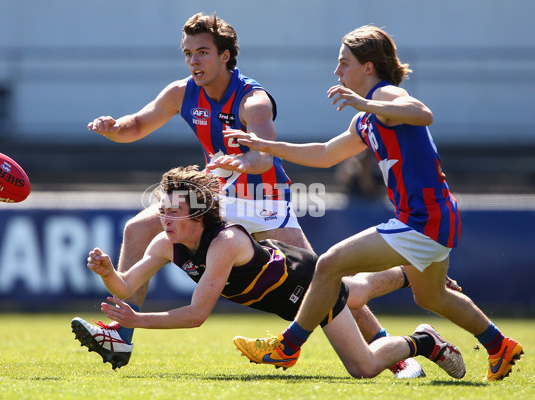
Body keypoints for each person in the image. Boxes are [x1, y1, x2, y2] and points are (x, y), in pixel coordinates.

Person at [83, 12, 425, 377]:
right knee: (137, 230)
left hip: (264, 201)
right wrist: (113, 127)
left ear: (225, 56)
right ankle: (121, 335)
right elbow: (135, 126)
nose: (193, 62)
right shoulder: (181, 92)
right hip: (216, 196)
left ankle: (396, 352)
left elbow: (264, 156)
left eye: (202, 53)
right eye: (188, 53)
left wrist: (241, 162)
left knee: (321, 283)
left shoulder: (253, 100)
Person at [219, 25, 523, 381]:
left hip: (423, 219)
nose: (337, 71)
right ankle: (498, 344)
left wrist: (368, 102)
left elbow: (423, 113)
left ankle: (286, 347)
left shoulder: (387, 96)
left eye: (344, 63)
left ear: (368, 66)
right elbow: (324, 154)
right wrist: (264, 146)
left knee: (329, 263)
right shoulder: (365, 118)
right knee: (432, 297)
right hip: (432, 218)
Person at [71, 165, 466, 379]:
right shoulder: (164, 243)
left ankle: (422, 341)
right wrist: (107, 273)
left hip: (308, 284)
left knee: (362, 366)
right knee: (356, 291)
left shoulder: (224, 243)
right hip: (289, 292)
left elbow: (196, 315)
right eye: (163, 210)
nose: (164, 218)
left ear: (198, 213)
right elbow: (127, 284)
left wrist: (136, 319)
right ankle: (407, 272)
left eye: (173, 211)